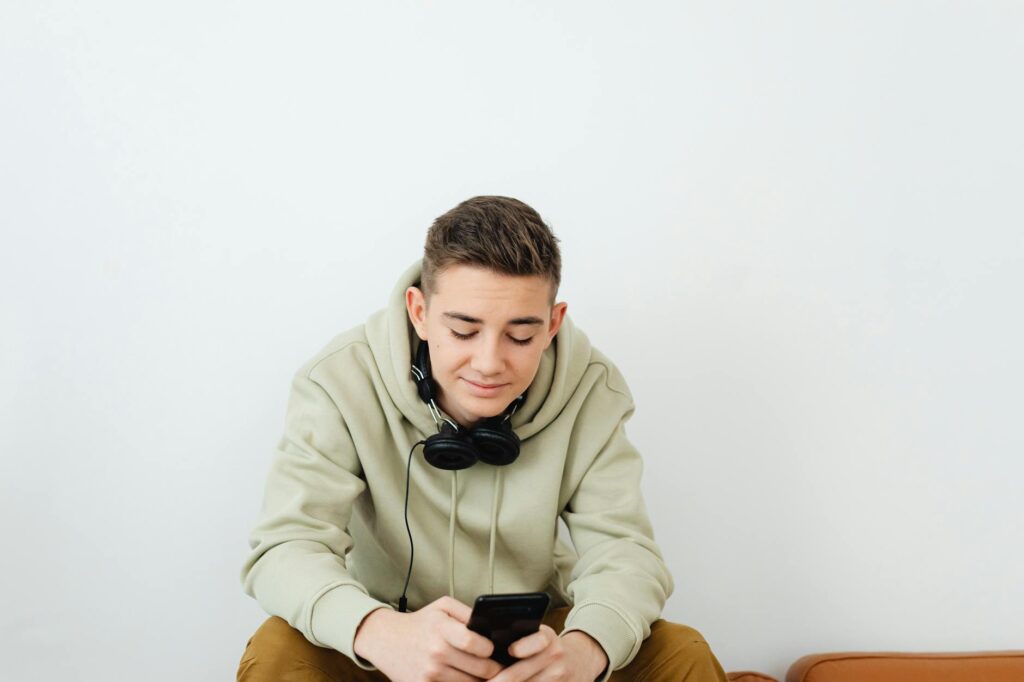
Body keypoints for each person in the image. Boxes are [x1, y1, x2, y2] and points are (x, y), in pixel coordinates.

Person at [237, 196, 729, 681]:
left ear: (553, 324)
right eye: (464, 331)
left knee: (680, 651)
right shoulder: (338, 380)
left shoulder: (593, 389)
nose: (490, 363)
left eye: (520, 336)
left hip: (534, 650)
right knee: (277, 648)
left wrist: (583, 651)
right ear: (419, 312)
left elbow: (626, 552)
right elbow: (284, 547)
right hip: (393, 643)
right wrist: (379, 632)